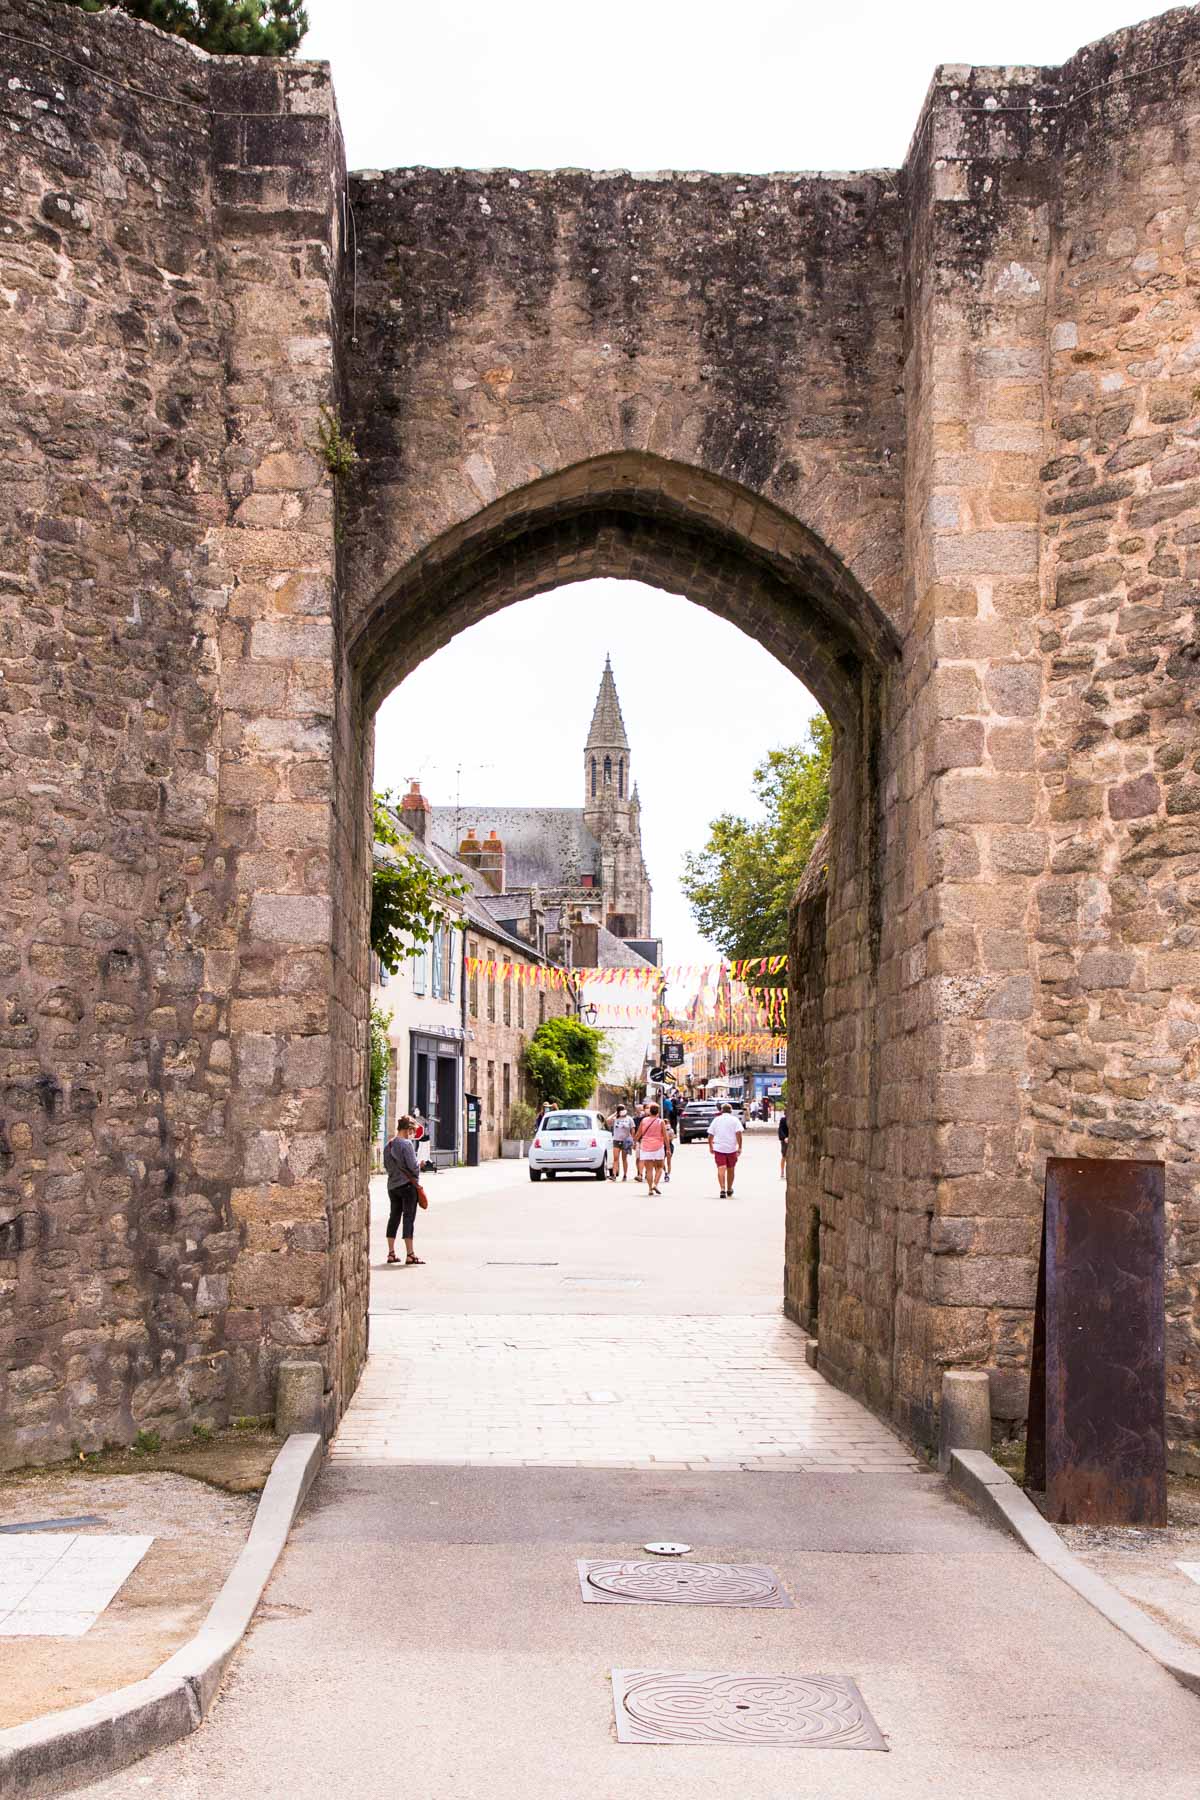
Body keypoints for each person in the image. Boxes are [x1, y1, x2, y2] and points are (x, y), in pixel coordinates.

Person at [383, 1115, 424, 1265]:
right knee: (408, 1218)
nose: (412, 1134)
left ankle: (391, 1253)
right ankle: (410, 1254)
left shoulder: (389, 1145)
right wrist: (420, 1163)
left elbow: (387, 1166)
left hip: (392, 1186)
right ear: (407, 1129)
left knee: (393, 1217)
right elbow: (413, 1167)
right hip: (407, 1186)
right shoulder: (406, 1144)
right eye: (412, 1131)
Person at [707, 1101, 743, 1198]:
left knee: (721, 1168)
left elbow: (710, 1135)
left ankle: (722, 1188)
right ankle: (729, 1188)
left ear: (721, 1111)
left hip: (719, 1148)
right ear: (731, 1111)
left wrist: (710, 1146)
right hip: (731, 1148)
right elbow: (739, 1134)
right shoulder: (735, 1120)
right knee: (731, 1169)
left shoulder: (716, 1120)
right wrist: (740, 1147)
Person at [635, 1102, 668, 1195]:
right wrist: (668, 1148)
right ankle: (655, 1184)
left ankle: (650, 1189)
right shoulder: (660, 1121)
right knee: (660, 1167)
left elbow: (638, 1134)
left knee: (649, 1169)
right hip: (658, 1147)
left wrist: (634, 1142)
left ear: (649, 1112)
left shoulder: (644, 1120)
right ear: (658, 1112)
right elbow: (665, 1136)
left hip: (645, 1147)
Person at [609, 1104, 635, 1180]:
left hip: (625, 1141)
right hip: (616, 1140)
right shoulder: (616, 1119)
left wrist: (632, 1139)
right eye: (620, 1110)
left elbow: (633, 1129)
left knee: (624, 1159)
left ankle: (625, 1175)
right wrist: (615, 1113)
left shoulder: (629, 1119)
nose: (622, 1111)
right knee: (615, 1158)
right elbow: (608, 1120)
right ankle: (614, 1175)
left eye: (623, 1109)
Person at [778, 1109, 789, 1179]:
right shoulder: (783, 1120)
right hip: (785, 1140)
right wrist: (784, 1138)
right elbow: (780, 1130)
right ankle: (782, 1171)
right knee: (784, 1156)